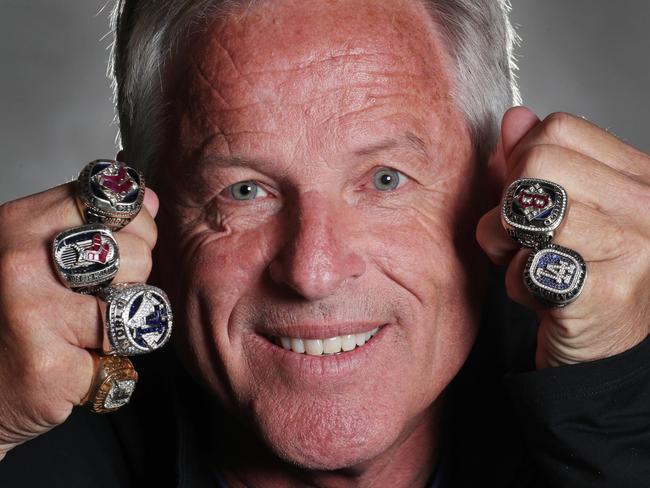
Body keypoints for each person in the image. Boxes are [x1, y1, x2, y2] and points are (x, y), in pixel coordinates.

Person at [1, 0, 649, 486]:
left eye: (385, 179)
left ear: (497, 187)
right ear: (142, 215)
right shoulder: (32, 423)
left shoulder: (617, 403)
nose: (312, 270)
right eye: (244, 191)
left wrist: (612, 406)